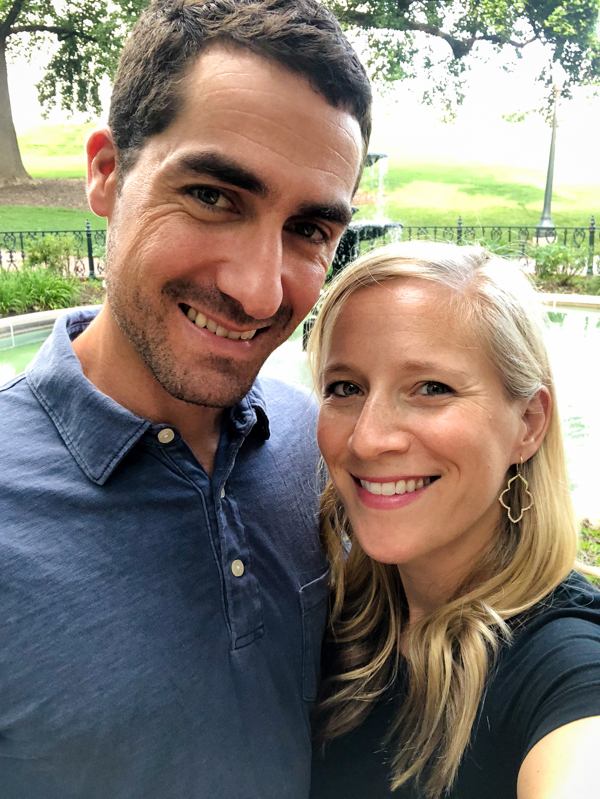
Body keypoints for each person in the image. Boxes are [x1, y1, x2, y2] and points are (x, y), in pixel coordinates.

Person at [0, 2, 370, 797]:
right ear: (107, 173)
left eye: (309, 229)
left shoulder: (321, 449)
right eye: (212, 195)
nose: (258, 290)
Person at [307, 241, 600, 799]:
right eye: (345, 388)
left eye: (431, 389)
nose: (368, 439)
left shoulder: (562, 659)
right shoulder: (338, 613)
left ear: (528, 423)